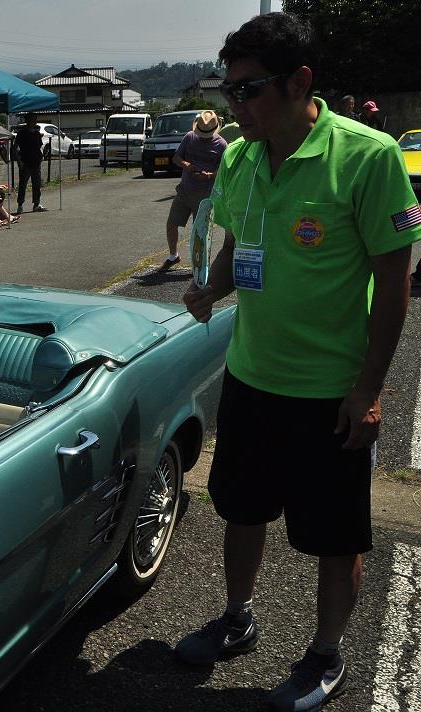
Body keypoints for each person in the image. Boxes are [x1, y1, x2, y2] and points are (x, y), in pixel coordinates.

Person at [176, 13, 421, 712]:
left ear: (301, 82)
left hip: (331, 391)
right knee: (242, 512)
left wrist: (369, 391)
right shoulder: (238, 157)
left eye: (248, 91)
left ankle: (323, 654)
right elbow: (236, 247)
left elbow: (395, 285)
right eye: (229, 93)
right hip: (252, 377)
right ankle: (238, 617)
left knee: (334, 537)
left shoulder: (368, 156)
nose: (236, 108)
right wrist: (209, 289)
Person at [158, 110, 228, 272]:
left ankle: (201, 263)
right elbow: (176, 158)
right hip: (184, 190)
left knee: (201, 232)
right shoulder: (189, 137)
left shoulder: (222, 144)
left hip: (205, 195)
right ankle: (173, 255)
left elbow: (224, 170)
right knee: (171, 224)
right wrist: (188, 166)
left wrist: (209, 175)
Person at [13, 113, 48, 214]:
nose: (34, 122)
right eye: (33, 120)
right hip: (25, 162)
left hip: (36, 162)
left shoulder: (37, 133)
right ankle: (20, 205)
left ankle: (36, 204)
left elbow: (39, 146)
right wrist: (19, 162)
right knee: (23, 184)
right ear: (28, 121)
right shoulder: (21, 133)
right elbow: (15, 148)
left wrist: (41, 157)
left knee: (36, 184)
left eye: (35, 120)